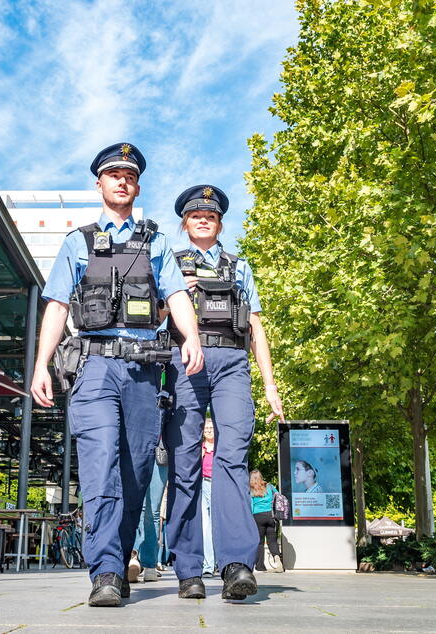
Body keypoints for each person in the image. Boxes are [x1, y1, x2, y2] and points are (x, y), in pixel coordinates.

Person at [30, 142, 203, 608]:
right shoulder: (77, 242)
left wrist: (191, 336)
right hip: (94, 367)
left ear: (137, 186)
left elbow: (178, 296)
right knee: (100, 461)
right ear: (100, 184)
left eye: (129, 175)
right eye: (113, 174)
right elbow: (57, 305)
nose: (121, 180)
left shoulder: (157, 241)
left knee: (136, 470)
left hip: (145, 369)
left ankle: (119, 557)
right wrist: (40, 364)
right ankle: (105, 570)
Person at [163, 184, 284, 602]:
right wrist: (178, 295)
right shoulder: (170, 262)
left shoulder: (240, 266)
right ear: (185, 222)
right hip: (185, 363)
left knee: (233, 457)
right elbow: (154, 316)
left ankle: (236, 565)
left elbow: (257, 327)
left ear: (219, 223)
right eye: (196, 215)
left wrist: (269, 384)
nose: (203, 219)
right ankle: (188, 569)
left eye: (211, 215)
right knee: (184, 464)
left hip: (232, 364)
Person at [128, 434, 169, 584]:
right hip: (138, 448)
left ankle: (149, 563)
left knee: (153, 511)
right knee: (140, 507)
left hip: (160, 451)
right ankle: (135, 555)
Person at [249, 470, 283, 573]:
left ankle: (260, 566)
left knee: (259, 542)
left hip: (257, 516)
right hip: (270, 516)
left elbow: (250, 505)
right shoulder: (269, 486)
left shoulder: (250, 489)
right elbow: (278, 496)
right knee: (272, 541)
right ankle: (278, 562)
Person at [201, 418, 216, 577]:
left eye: (211, 427)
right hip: (203, 485)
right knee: (205, 527)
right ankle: (208, 565)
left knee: (216, 526)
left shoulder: (220, 447)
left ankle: (219, 562)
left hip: (217, 486)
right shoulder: (201, 448)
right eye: (206, 428)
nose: (209, 430)